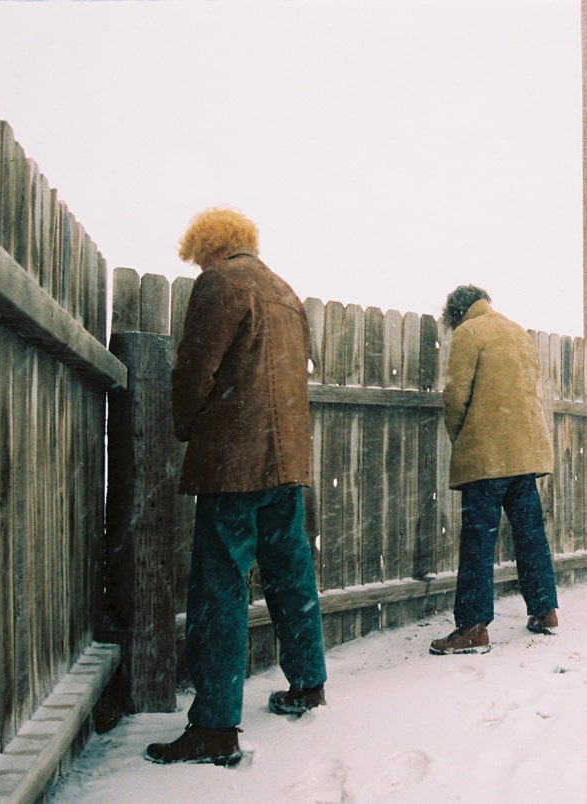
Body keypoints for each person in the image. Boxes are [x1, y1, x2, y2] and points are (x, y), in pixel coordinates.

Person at [145, 207, 327, 767]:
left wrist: (183, 423)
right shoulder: (286, 291)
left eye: (201, 255)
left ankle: (217, 726)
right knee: (290, 572)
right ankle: (307, 683)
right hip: (286, 463)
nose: (201, 264)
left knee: (220, 588)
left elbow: (194, 369)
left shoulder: (220, 284)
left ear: (213, 248)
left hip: (234, 463)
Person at [429, 285, 560, 655]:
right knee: (530, 534)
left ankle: (472, 626)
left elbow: (455, 397)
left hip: (488, 455)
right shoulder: (516, 330)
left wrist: (462, 438)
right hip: (526, 452)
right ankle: (544, 609)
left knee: (478, 541)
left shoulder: (469, 332)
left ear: (455, 312)